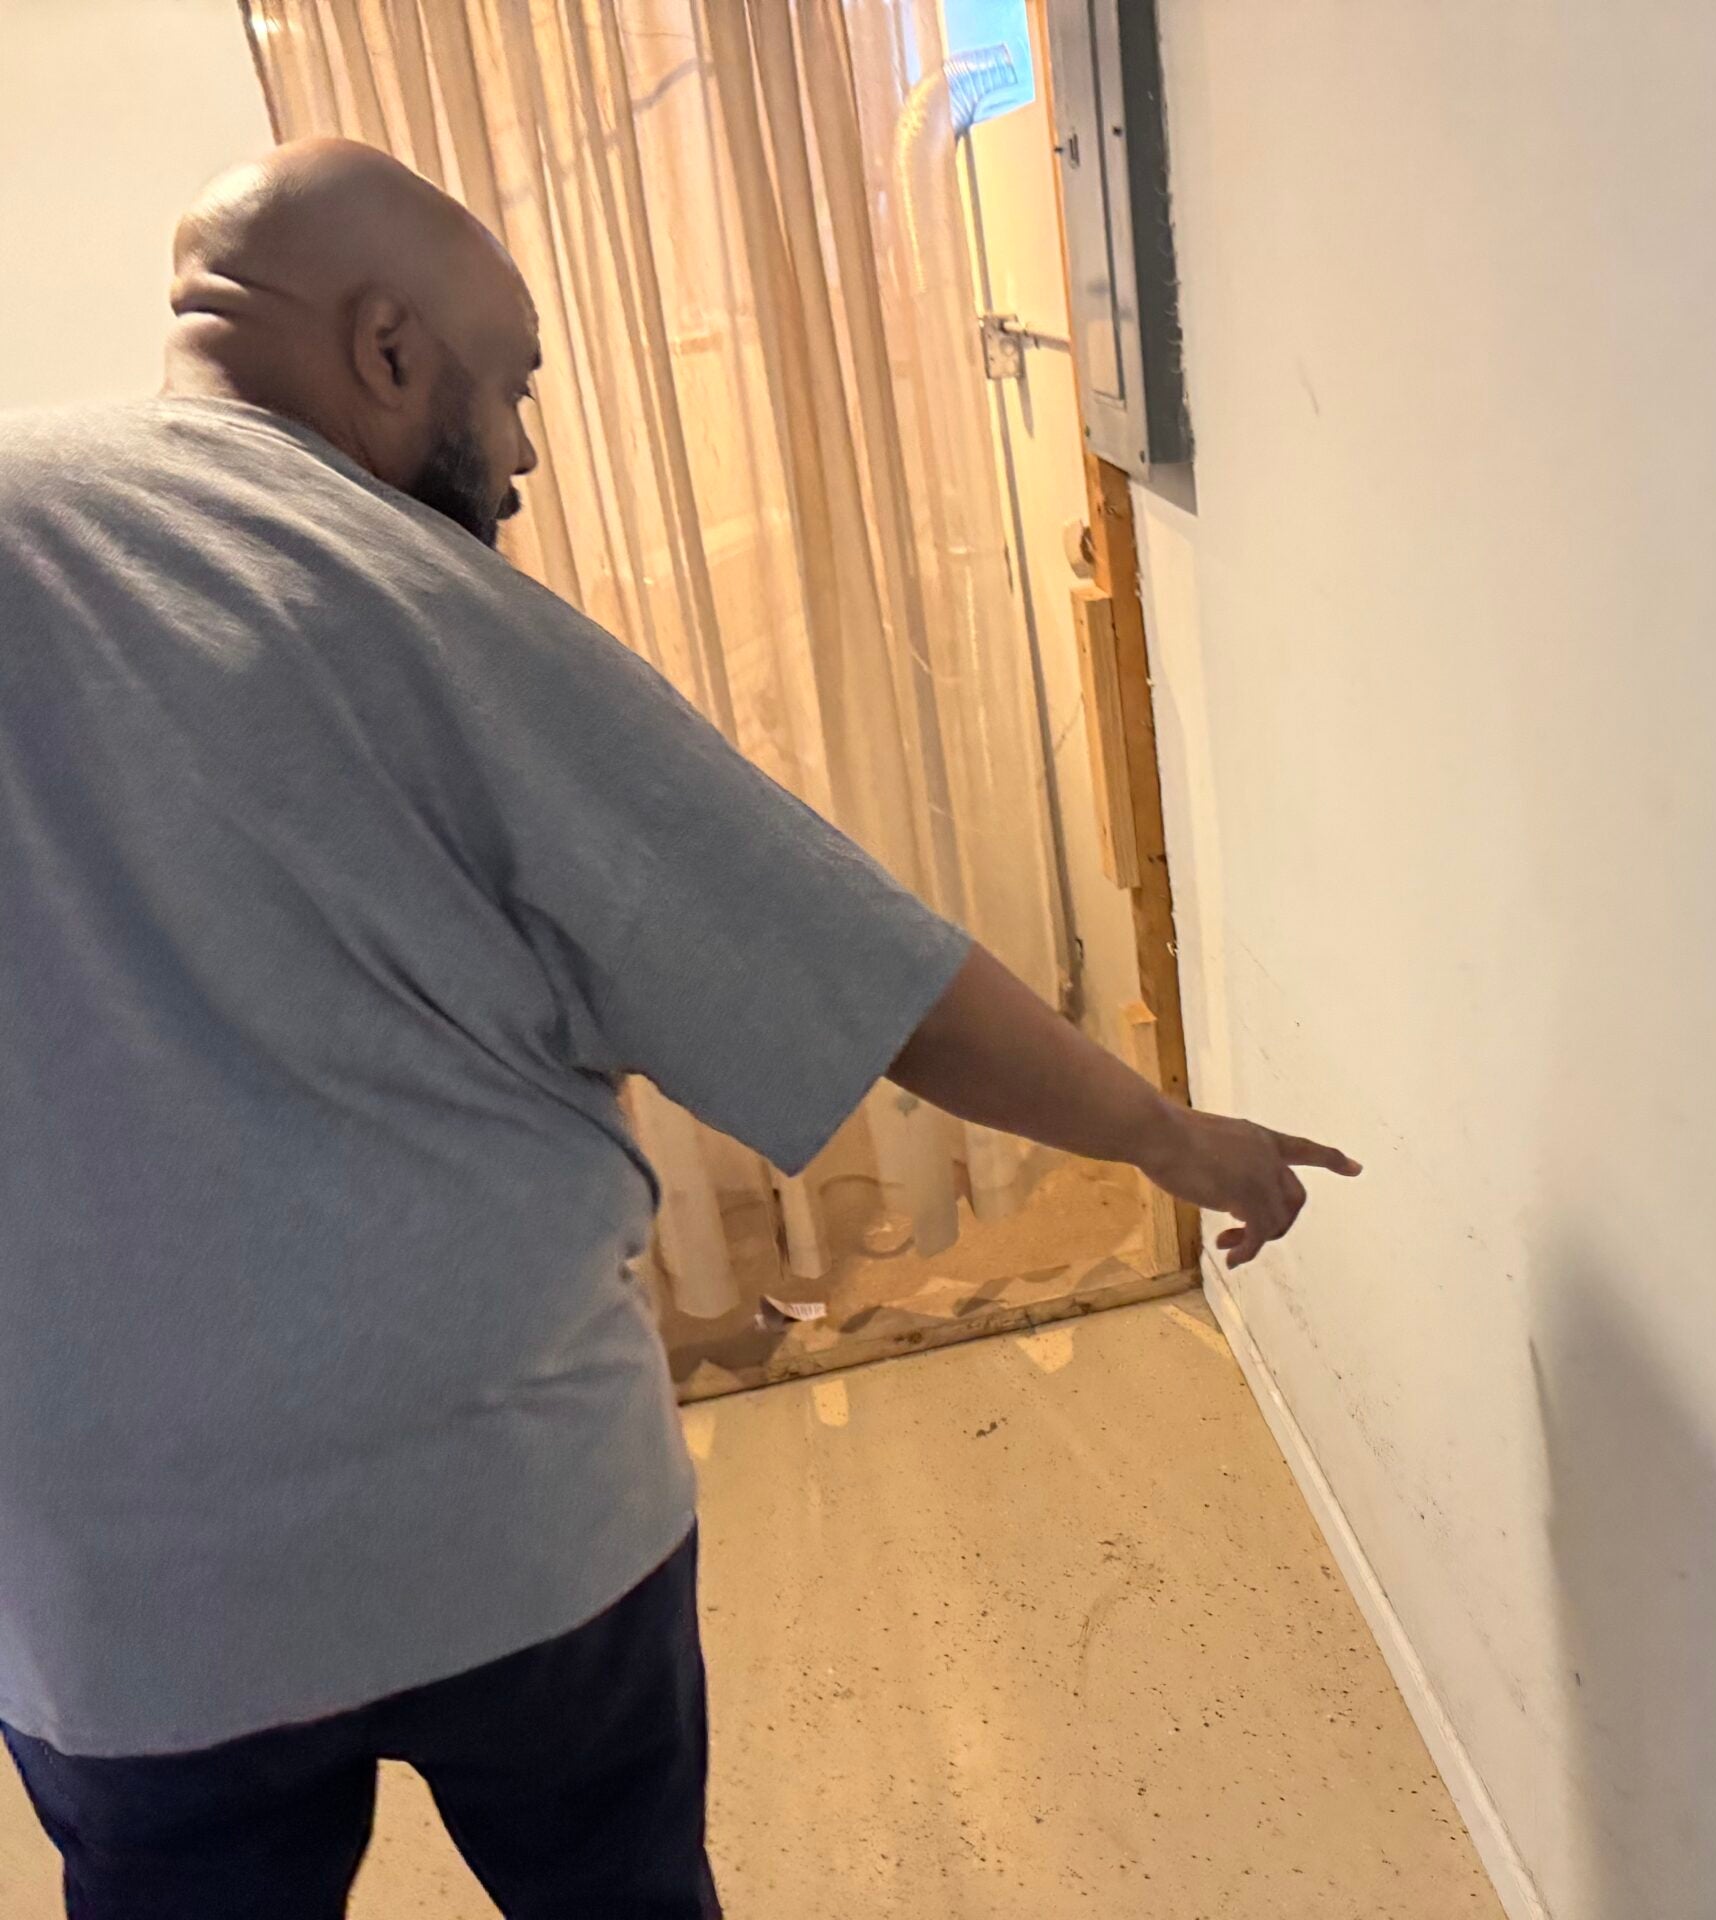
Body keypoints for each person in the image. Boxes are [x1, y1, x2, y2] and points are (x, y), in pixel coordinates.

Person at [0, 138, 1354, 1918]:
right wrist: (1177, 1141)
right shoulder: (422, 602)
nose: (531, 453)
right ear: (391, 350)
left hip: (106, 1590)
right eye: (516, 387)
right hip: (505, 1516)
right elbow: (865, 972)